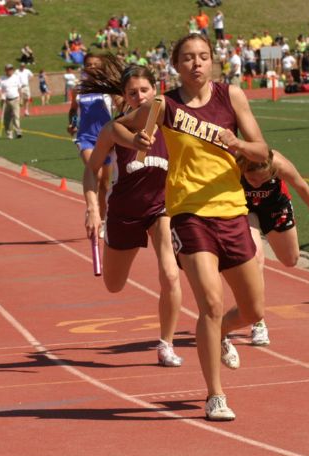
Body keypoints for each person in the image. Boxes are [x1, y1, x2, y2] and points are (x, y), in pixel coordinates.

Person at [111, 34, 269, 421]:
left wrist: (238, 144)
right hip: (188, 213)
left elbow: (262, 151)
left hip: (231, 209)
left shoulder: (231, 96)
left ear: (213, 61)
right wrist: (138, 138)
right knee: (211, 303)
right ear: (176, 65)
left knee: (251, 310)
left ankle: (220, 334)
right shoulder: (164, 104)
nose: (196, 64)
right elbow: (115, 129)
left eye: (203, 57)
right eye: (187, 58)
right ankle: (215, 395)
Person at [80, 59, 183, 368]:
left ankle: (166, 343)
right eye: (133, 93)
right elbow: (90, 170)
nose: (140, 97)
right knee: (114, 284)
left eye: (145, 90)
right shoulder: (114, 129)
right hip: (124, 211)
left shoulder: (171, 121)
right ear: (123, 97)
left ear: (156, 90)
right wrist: (93, 209)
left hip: (161, 207)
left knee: (170, 273)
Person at [239, 149, 309, 346]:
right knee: (255, 258)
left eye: (261, 179)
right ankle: (258, 322)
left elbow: (302, 187)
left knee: (290, 260)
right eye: (251, 179)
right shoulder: (234, 163)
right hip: (245, 208)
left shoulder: (279, 164)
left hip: (275, 207)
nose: (256, 183)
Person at [67, 54, 114, 218]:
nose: (92, 67)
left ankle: (102, 218)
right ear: (84, 67)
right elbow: (73, 110)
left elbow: (122, 106)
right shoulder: (78, 89)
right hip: (85, 137)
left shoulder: (109, 87)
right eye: (89, 64)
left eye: (96, 64)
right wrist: (73, 123)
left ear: (102, 67)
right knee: (96, 173)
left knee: (105, 185)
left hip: (107, 138)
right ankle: (91, 209)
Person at [0, 63, 23, 139]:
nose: (10, 71)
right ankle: (9, 133)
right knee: (7, 118)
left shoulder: (16, 77)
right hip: (6, 101)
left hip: (15, 99)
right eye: (8, 69)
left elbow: (19, 88)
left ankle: (18, 131)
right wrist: (1, 96)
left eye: (11, 69)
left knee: (16, 116)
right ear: (5, 70)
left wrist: (21, 98)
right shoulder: (2, 79)